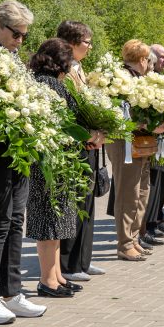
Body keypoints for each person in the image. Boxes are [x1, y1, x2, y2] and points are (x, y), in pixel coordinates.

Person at [0, 0, 47, 324]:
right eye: (16, 34)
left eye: (24, 36)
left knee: (16, 220)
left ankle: (11, 292)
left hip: (19, 149)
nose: (20, 40)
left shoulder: (15, 58)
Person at [27, 38, 104, 297]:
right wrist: (88, 135)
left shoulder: (49, 82)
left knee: (58, 221)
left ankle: (57, 276)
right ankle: (47, 280)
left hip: (58, 160)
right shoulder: (47, 84)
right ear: (58, 61)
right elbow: (64, 122)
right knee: (50, 221)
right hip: (50, 162)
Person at [57, 21, 108, 282]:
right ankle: (68, 264)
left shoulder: (78, 67)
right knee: (74, 203)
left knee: (87, 202)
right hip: (74, 143)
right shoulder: (62, 70)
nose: (89, 47)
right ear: (72, 43)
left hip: (88, 142)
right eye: (86, 42)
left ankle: (83, 260)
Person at [107, 39, 164, 261]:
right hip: (125, 142)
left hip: (141, 142)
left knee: (142, 191)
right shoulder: (120, 80)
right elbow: (121, 115)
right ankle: (124, 244)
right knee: (128, 193)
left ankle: (133, 239)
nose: (149, 64)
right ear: (142, 59)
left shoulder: (139, 79)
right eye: (148, 60)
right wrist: (149, 124)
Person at [143, 43, 164, 245]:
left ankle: (158, 217)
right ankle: (148, 223)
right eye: (161, 57)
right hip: (150, 138)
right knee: (153, 182)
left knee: (163, 181)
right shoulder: (148, 79)